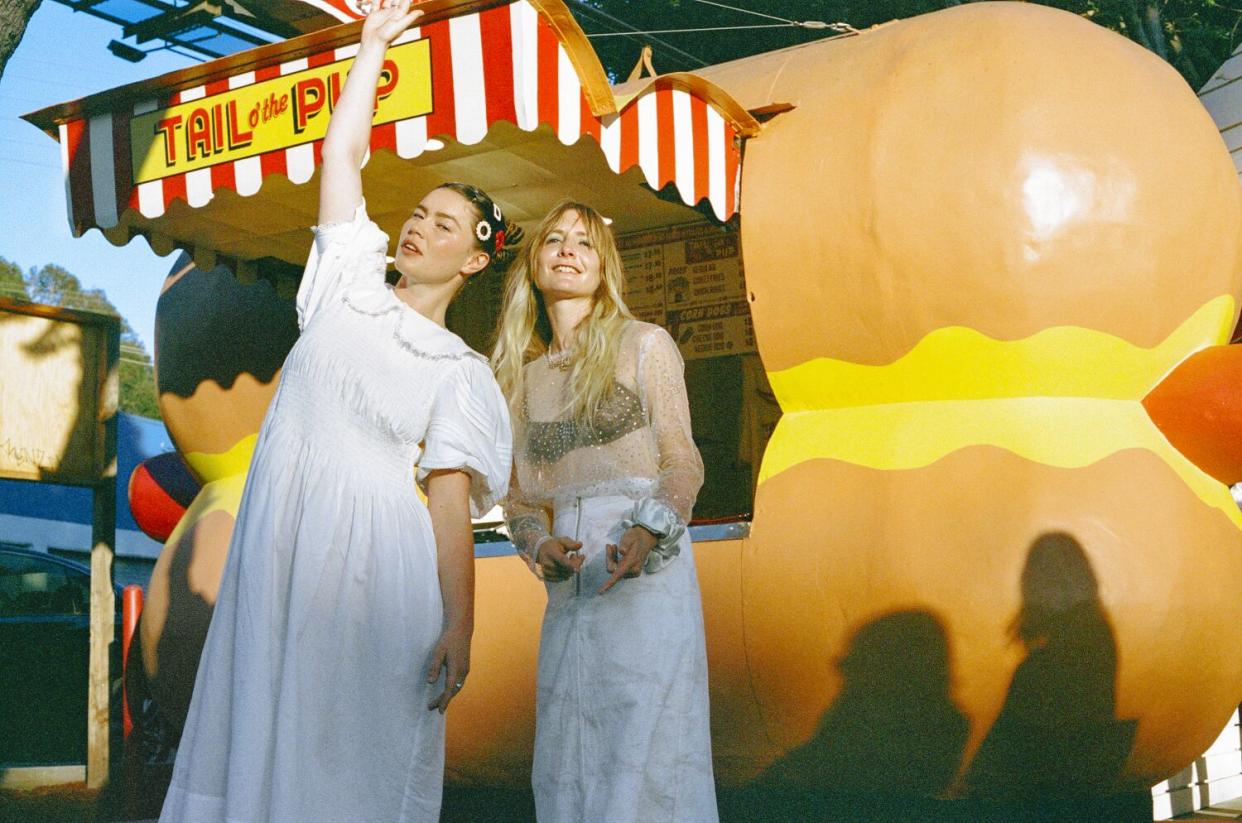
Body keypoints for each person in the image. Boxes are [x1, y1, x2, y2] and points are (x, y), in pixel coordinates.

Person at [159, 2, 512, 820]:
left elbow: (451, 503)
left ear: (476, 256)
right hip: (280, 542)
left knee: (343, 755)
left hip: (373, 570)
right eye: (419, 214)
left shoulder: (458, 371)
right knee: (256, 733)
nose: (421, 227)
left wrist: (461, 624)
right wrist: (373, 46)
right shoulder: (344, 283)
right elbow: (341, 151)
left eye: (446, 223)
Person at [492, 201, 718, 822]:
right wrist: (539, 545)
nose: (568, 250)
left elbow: (682, 462)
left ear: (604, 266)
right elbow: (519, 498)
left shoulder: (645, 344)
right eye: (556, 240)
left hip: (646, 561)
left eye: (585, 243)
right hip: (571, 579)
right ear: (534, 264)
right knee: (570, 746)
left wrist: (648, 531)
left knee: (647, 738)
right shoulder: (520, 377)